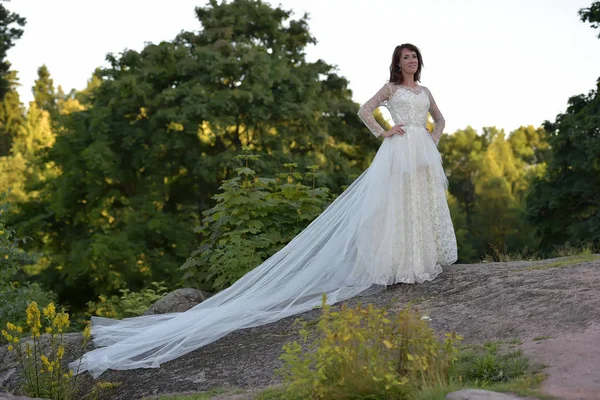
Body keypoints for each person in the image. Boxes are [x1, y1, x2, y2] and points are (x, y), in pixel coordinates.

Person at [70, 43, 457, 378]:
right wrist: (385, 130)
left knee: (420, 201)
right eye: (406, 57)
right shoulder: (390, 89)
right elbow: (364, 110)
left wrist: (430, 138)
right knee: (396, 205)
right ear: (397, 62)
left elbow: (440, 119)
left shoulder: (424, 90)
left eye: (415, 57)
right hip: (396, 151)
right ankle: (399, 263)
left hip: (420, 151)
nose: (411, 61)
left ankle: (421, 258)